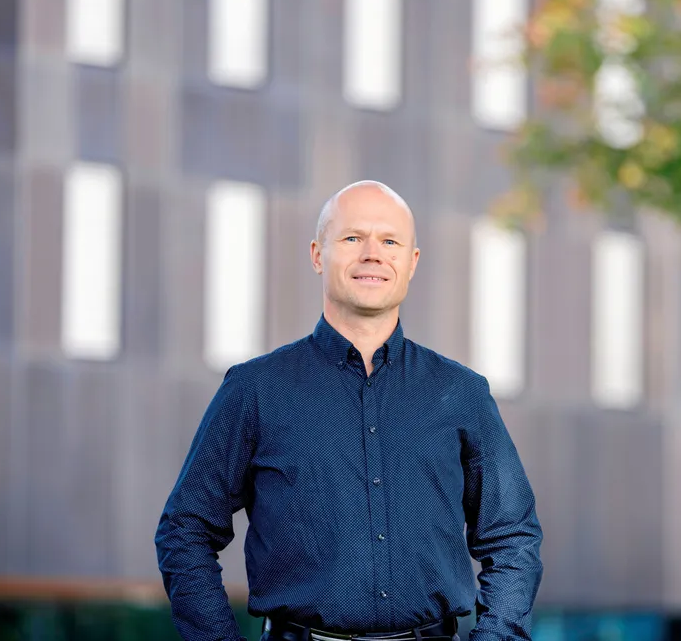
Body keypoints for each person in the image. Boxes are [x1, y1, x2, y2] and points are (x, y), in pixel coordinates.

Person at [155, 181, 543, 641]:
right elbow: (185, 531)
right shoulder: (255, 390)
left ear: (411, 262)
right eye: (353, 238)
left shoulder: (461, 393)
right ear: (318, 254)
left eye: (390, 241)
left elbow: (513, 537)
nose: (373, 254)